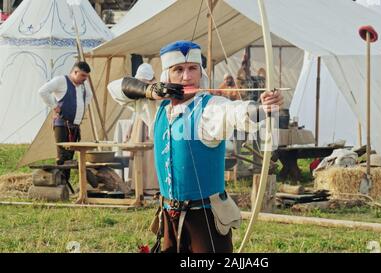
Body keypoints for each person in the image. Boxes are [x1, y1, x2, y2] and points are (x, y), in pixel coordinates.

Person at [108, 40, 283, 253]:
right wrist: (150, 91)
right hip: (169, 214)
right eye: (178, 70)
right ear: (166, 76)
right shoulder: (158, 108)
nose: (186, 76)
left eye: (192, 69)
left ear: (201, 73)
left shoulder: (211, 107)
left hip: (205, 218)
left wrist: (262, 107)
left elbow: (236, 112)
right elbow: (115, 88)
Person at [108, 63, 159, 196]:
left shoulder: (156, 90)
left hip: (151, 125)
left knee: (150, 157)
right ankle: (138, 185)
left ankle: (152, 186)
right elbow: (136, 112)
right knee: (138, 155)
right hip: (139, 125)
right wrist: (129, 130)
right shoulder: (137, 90)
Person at [38, 61, 92, 183]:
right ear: (75, 72)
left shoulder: (84, 85)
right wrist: (54, 106)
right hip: (62, 125)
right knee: (62, 158)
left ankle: (64, 187)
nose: (85, 79)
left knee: (69, 158)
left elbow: (89, 95)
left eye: (86, 76)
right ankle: (60, 186)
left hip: (75, 126)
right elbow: (42, 91)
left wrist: (82, 107)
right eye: (83, 76)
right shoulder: (61, 81)